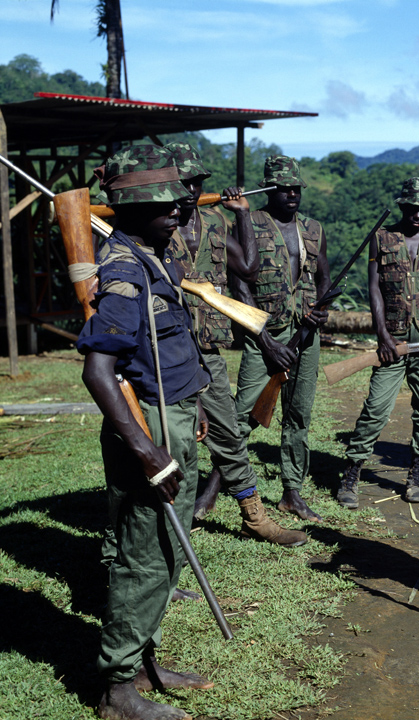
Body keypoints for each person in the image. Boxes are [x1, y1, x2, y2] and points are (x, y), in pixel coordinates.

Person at [78, 144, 214, 720]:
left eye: (178, 201)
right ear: (132, 209)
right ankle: (117, 689)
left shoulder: (153, 254)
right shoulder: (125, 272)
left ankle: (143, 662)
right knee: (145, 556)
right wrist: (146, 449)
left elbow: (170, 344)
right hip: (150, 427)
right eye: (165, 204)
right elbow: (98, 370)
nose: (179, 210)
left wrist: (193, 401)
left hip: (175, 415)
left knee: (167, 551)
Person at [165, 142, 307, 546]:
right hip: (168, 347)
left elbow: (247, 266)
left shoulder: (213, 219)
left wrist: (242, 214)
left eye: (196, 182)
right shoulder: (157, 223)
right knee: (174, 438)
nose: (191, 190)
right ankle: (175, 520)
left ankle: (254, 517)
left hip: (208, 347)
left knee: (229, 432)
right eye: (183, 182)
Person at [338, 177, 419, 508]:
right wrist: (382, 335)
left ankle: (416, 476)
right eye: (411, 208)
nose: (417, 215)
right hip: (393, 337)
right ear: (402, 206)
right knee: (376, 407)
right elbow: (374, 288)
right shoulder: (381, 238)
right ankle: (351, 475)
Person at [232, 155, 331, 523]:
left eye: (296, 188)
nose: (292, 194)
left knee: (298, 415)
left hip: (306, 334)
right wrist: (264, 340)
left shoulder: (313, 228)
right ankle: (219, 484)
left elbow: (324, 278)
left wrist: (321, 310)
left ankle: (292, 493)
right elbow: (239, 284)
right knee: (241, 415)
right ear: (269, 190)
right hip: (264, 333)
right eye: (284, 189)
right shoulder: (250, 223)